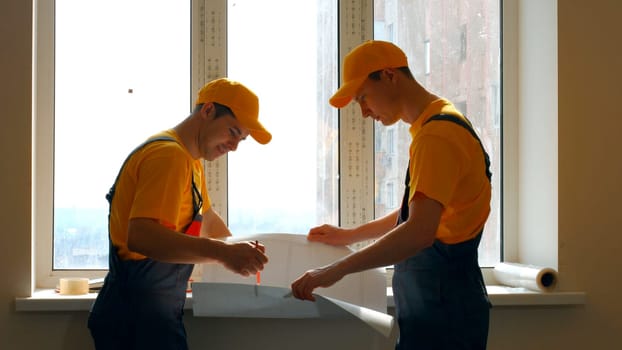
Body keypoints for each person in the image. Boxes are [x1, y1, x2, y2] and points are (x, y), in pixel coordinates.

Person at [290, 40, 492, 349]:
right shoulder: (435, 124)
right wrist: (351, 235)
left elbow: (419, 232)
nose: (364, 112)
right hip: (437, 309)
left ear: (389, 75)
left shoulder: (437, 136)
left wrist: (334, 271)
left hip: (445, 315)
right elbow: (415, 213)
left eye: (363, 98)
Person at [88, 78, 270, 350]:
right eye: (232, 132)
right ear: (208, 111)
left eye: (240, 140)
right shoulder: (168, 156)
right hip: (134, 322)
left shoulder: (190, 162)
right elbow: (142, 237)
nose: (234, 146)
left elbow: (207, 219)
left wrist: (242, 256)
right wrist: (224, 254)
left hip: (154, 319)